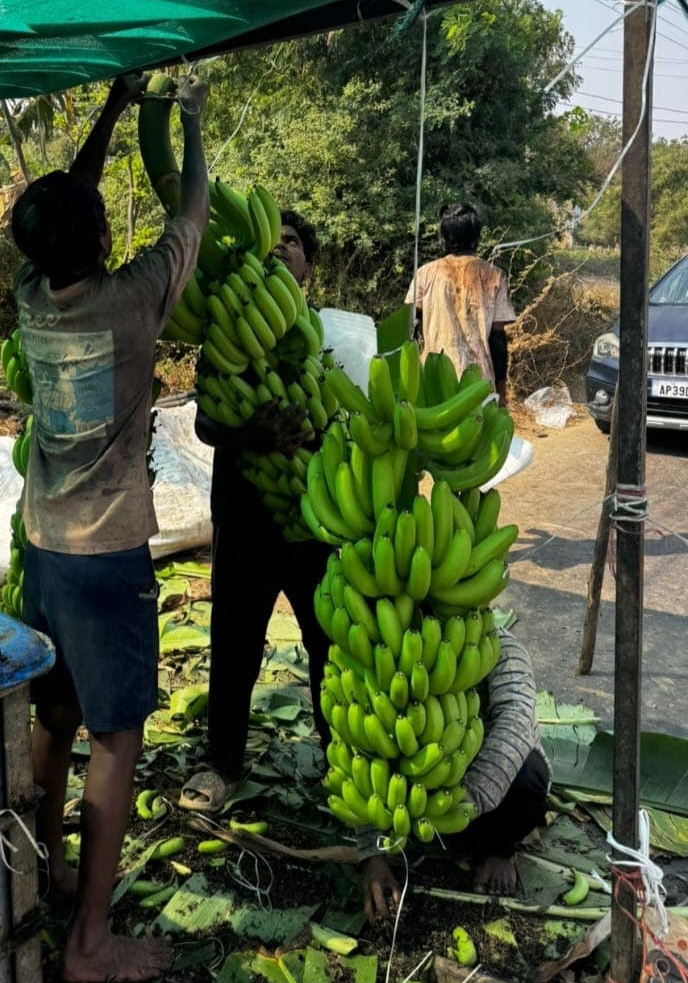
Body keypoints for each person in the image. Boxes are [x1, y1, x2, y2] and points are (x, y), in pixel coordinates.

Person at [10, 71, 209, 983]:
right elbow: (192, 212)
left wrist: (113, 112)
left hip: (44, 547)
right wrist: (193, 128)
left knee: (52, 713)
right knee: (117, 737)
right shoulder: (135, 305)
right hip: (106, 555)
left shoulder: (28, 293)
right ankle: (90, 942)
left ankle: (42, 871)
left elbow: (62, 205)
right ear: (98, 237)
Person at [180, 212, 332, 814]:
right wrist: (251, 433)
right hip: (245, 517)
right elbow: (204, 421)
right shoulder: (227, 337)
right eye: (270, 245)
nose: (279, 253)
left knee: (327, 644)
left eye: (291, 244)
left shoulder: (330, 340)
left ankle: (340, 757)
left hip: (316, 517)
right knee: (235, 642)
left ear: (308, 266)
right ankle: (223, 762)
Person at [359, 627, 550, 922]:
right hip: (415, 806)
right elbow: (363, 746)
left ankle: (499, 850)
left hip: (487, 800)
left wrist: (464, 802)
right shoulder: (393, 651)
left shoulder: (501, 648)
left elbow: (517, 720)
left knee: (529, 771)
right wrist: (372, 852)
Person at [405, 202, 516, 404]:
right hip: (478, 385)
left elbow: (410, 327)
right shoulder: (494, 276)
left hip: (431, 381)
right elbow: (498, 339)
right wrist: (501, 390)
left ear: (443, 238)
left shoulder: (424, 274)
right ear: (477, 238)